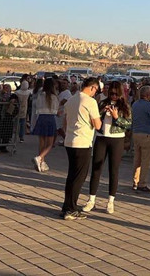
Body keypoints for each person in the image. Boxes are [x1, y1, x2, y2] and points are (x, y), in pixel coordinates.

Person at [84, 81, 131, 214]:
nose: (113, 96)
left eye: (116, 94)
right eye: (111, 93)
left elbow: (128, 124)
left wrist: (116, 118)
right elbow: (93, 119)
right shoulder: (102, 103)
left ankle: (110, 201)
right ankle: (91, 200)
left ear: (120, 93)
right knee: (96, 169)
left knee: (113, 170)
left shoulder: (125, 106)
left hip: (117, 139)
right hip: (102, 138)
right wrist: (102, 112)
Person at [60, 77, 101, 220]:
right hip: (82, 142)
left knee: (71, 175)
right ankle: (71, 208)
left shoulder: (71, 100)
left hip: (70, 140)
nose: (95, 93)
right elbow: (98, 125)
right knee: (79, 177)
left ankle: (67, 206)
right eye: (96, 90)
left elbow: (65, 121)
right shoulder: (90, 102)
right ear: (92, 87)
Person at [131, 85, 150, 193]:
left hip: (136, 133)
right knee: (145, 161)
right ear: (148, 95)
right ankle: (142, 183)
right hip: (147, 134)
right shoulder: (148, 105)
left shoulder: (135, 104)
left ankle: (135, 181)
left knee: (137, 159)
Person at [31, 78, 59, 172]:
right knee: (50, 144)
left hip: (41, 118)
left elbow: (37, 107)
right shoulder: (54, 97)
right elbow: (56, 111)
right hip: (50, 118)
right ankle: (40, 157)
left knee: (42, 142)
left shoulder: (40, 95)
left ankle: (42, 162)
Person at [14, 76, 31, 142]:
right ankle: (21, 136)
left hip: (18, 107)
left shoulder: (17, 92)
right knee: (23, 123)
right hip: (24, 107)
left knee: (16, 122)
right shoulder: (28, 92)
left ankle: (14, 135)